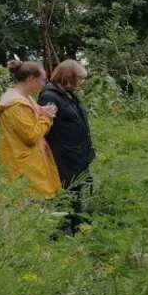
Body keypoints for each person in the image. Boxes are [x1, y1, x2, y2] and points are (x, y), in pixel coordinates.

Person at [39, 59, 97, 232]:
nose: (81, 82)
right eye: (79, 78)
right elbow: (44, 125)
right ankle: (64, 231)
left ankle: (77, 227)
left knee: (76, 191)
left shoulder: (67, 94)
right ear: (69, 77)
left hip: (77, 153)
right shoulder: (49, 96)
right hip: (63, 155)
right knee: (67, 192)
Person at [0, 60, 61, 198]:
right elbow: (31, 136)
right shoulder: (17, 105)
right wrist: (46, 118)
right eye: (43, 80)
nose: (44, 84)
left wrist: (40, 112)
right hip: (23, 165)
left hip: (30, 161)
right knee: (30, 206)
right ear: (31, 79)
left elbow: (31, 126)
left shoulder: (26, 99)